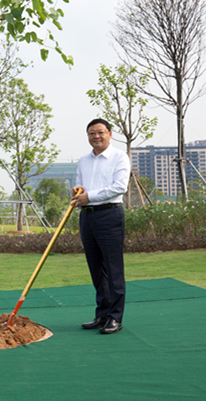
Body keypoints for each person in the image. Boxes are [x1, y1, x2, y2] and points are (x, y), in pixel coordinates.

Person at [71, 119, 131, 335]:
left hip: (109, 215)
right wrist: (77, 191)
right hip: (87, 217)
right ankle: (102, 314)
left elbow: (119, 187)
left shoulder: (119, 157)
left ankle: (115, 317)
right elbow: (80, 184)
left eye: (100, 132)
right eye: (91, 133)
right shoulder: (83, 160)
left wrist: (89, 196)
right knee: (96, 268)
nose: (96, 136)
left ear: (109, 134)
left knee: (113, 269)